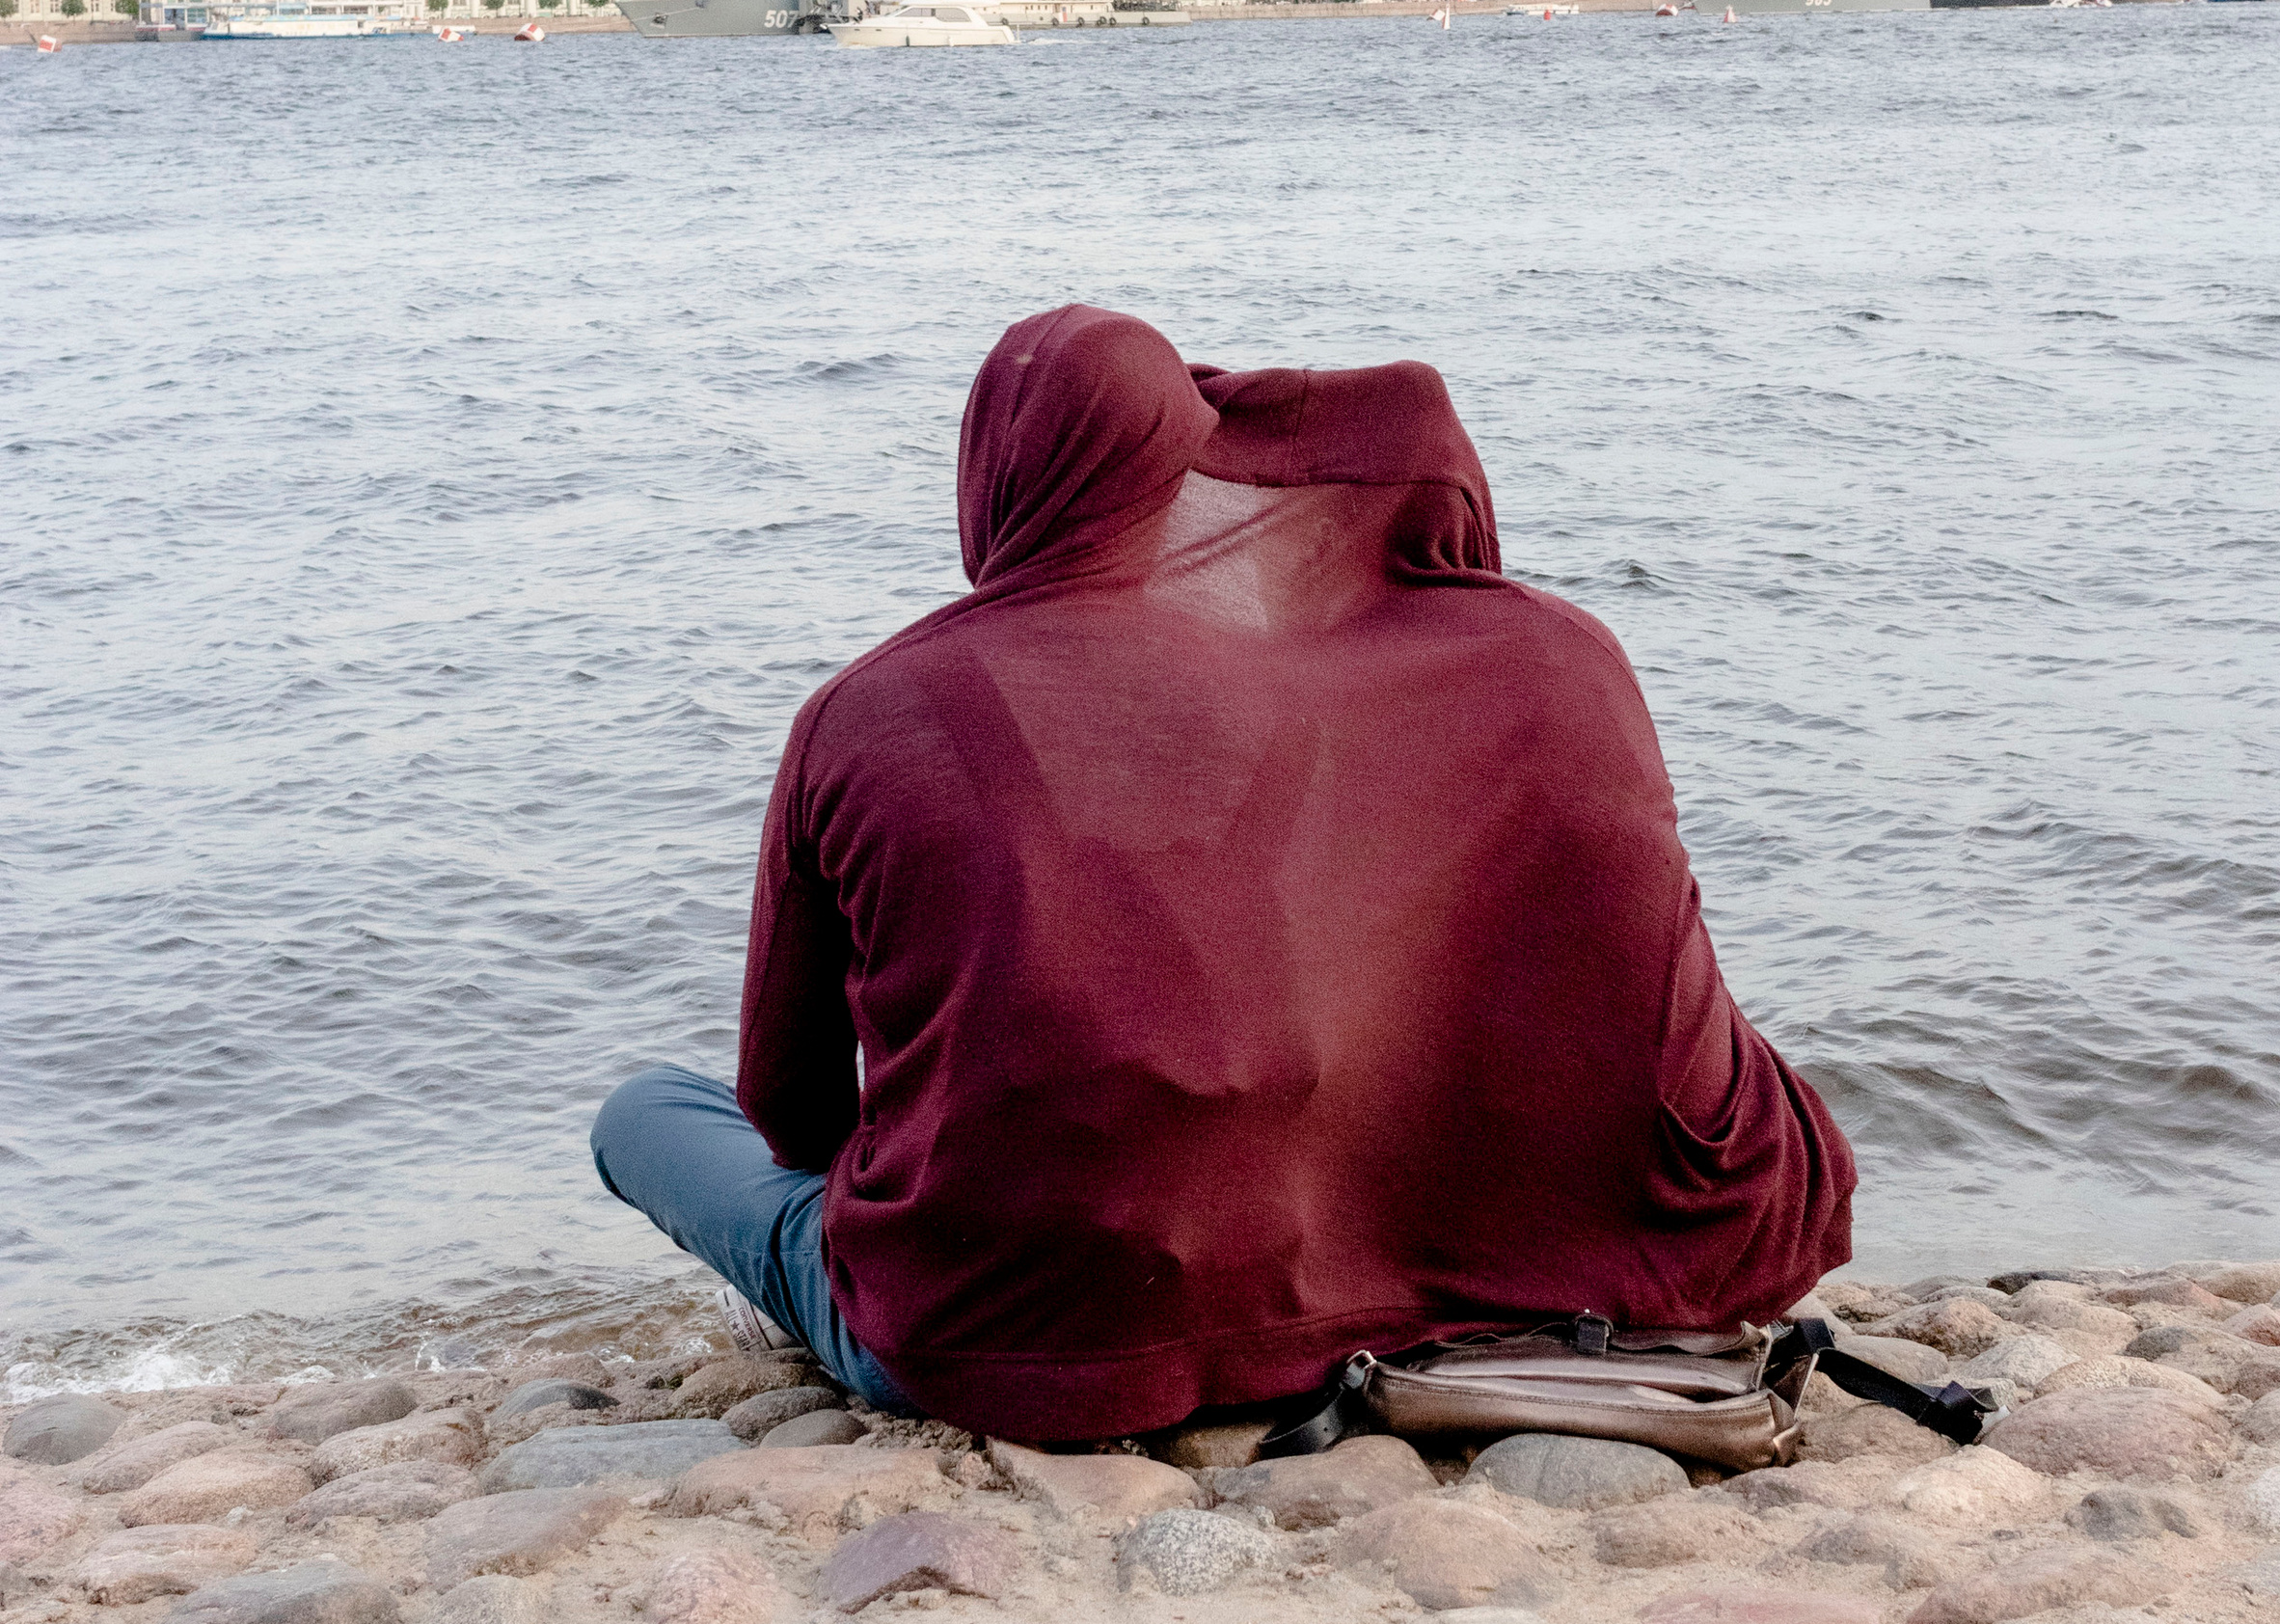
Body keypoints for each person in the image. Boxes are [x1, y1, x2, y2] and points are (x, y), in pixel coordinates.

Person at [592, 303, 1853, 1439]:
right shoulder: (1541, 660)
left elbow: (793, 1118)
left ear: (987, 475)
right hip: (1489, 1271)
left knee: (645, 1114)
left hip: (1008, 1345)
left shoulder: (871, 711)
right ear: (1179, 474)